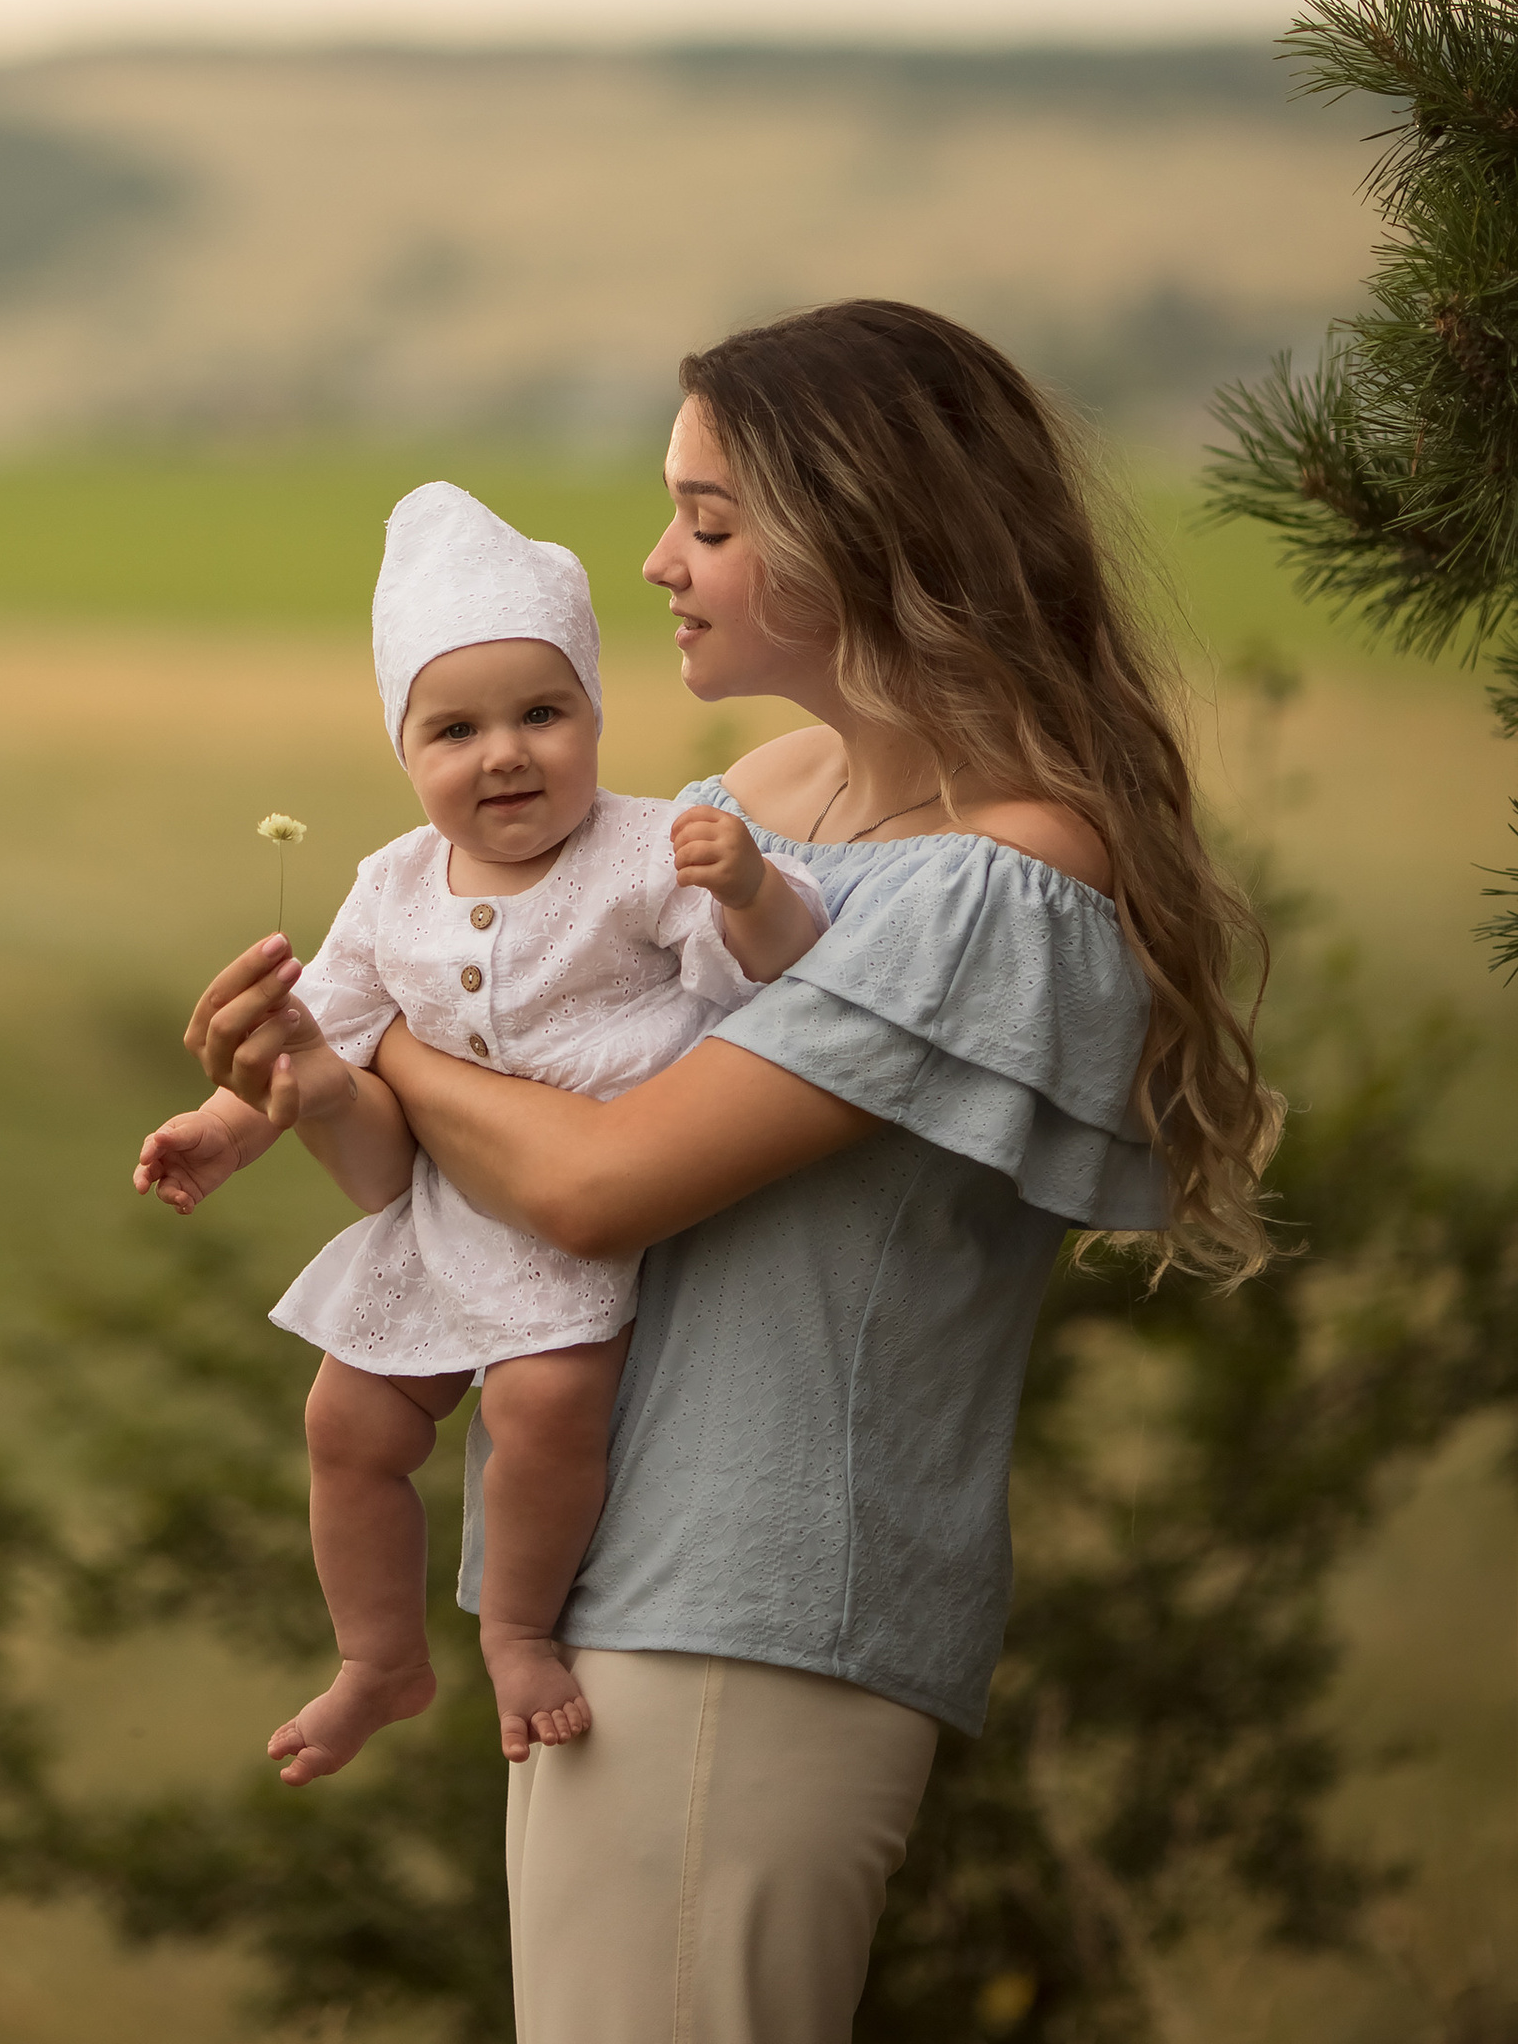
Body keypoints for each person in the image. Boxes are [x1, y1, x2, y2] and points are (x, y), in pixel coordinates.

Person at [178, 303, 1280, 2044]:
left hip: (758, 1607)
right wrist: (319, 1075)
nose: (658, 562)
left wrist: (370, 1042)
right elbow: (535, 1069)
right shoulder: (762, 794)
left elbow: (593, 1183)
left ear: (867, 532)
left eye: (709, 518)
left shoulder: (1003, 877)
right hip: (619, 1587)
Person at [135, 481, 826, 1778]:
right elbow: (327, 1027)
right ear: (405, 753)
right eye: (455, 730)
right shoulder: (391, 883)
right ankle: (378, 1658)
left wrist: (751, 893)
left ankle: (515, 1628)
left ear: (595, 715)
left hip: (586, 1205)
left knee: (546, 1409)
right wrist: (224, 1129)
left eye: (542, 714)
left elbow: (772, 975)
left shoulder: (645, 852)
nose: (505, 753)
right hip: (446, 1216)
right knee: (347, 1427)